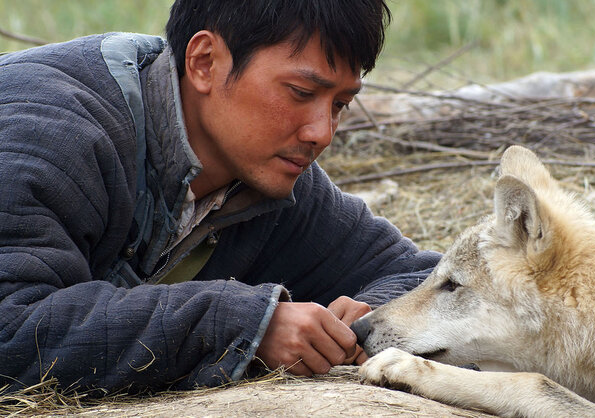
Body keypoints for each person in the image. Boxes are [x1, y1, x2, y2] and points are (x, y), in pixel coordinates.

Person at [0, 0, 440, 395]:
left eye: (340, 104)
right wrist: (247, 324)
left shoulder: (266, 176)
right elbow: (9, 329)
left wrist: (367, 320)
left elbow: (417, 275)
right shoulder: (46, 131)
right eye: (302, 93)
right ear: (205, 62)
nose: (322, 133)